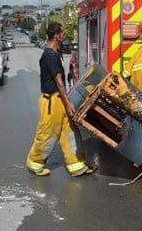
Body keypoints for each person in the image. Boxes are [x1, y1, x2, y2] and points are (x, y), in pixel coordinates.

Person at [26, 22, 97, 177]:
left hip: (58, 100)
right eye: (63, 33)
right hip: (52, 102)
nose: (65, 36)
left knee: (71, 132)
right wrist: (68, 102)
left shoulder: (55, 53)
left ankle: (76, 165)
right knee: (48, 134)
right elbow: (58, 81)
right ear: (56, 36)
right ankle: (35, 163)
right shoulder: (50, 55)